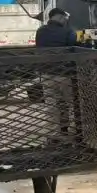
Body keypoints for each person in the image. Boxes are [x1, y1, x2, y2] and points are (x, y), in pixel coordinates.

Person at [34, 8, 79, 137]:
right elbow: (74, 44)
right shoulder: (67, 31)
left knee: (51, 106)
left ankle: (53, 135)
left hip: (47, 74)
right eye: (64, 18)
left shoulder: (40, 31)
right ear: (60, 17)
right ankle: (74, 132)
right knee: (71, 104)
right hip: (64, 75)